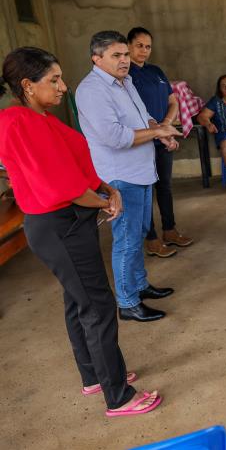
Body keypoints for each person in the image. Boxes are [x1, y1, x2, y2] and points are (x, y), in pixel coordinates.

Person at [0, 47, 162, 416]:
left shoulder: (39, 118)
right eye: (53, 80)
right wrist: (104, 200)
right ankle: (118, 395)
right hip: (58, 226)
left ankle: (95, 376)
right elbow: (62, 185)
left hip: (69, 221)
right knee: (98, 305)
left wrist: (108, 189)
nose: (62, 86)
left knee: (78, 301)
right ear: (27, 85)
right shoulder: (17, 121)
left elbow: (75, 164)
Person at [77, 31, 179, 323]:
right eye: (116, 56)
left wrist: (161, 133)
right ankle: (127, 302)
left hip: (142, 170)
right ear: (97, 59)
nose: (125, 60)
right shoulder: (92, 89)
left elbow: (143, 117)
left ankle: (139, 285)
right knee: (127, 239)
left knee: (138, 232)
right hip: (120, 176)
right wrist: (157, 132)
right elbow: (114, 137)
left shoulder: (126, 81)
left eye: (125, 54)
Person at [127, 27, 194, 259]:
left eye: (148, 46)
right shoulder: (125, 75)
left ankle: (170, 230)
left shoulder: (156, 71)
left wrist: (166, 125)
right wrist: (157, 130)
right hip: (142, 140)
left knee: (164, 186)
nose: (144, 51)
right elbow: (133, 112)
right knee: (146, 190)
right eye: (139, 45)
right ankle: (151, 239)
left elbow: (172, 101)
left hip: (162, 137)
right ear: (128, 46)